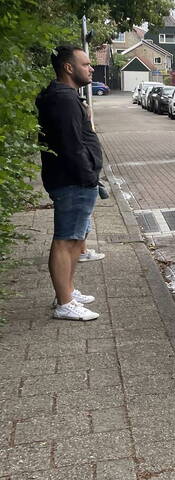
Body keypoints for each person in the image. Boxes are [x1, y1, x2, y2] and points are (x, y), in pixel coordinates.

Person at [36, 46, 103, 321]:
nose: (91, 69)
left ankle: (68, 291)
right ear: (68, 67)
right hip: (73, 180)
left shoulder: (65, 97)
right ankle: (64, 303)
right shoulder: (63, 99)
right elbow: (71, 145)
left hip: (75, 179)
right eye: (86, 64)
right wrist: (88, 176)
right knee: (65, 240)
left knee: (76, 239)